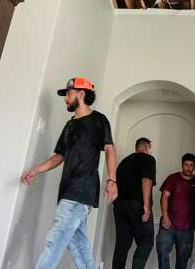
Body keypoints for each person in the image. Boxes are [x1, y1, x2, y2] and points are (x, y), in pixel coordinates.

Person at [22, 77, 117, 269]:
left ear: (81, 94)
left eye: (68, 93)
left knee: (54, 241)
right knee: (79, 247)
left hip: (82, 189)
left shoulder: (98, 120)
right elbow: (59, 156)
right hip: (67, 190)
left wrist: (111, 180)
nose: (65, 98)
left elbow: (109, 149)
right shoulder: (70, 125)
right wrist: (36, 170)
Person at [112, 137, 156, 269]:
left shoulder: (123, 162)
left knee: (122, 244)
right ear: (146, 147)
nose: (149, 151)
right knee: (146, 242)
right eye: (149, 148)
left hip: (119, 206)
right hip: (137, 205)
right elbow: (146, 180)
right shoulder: (148, 159)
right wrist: (146, 206)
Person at [156, 153, 195, 269]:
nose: (188, 168)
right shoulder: (173, 178)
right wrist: (165, 215)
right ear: (182, 165)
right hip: (168, 224)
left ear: (194, 166)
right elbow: (164, 196)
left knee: (183, 258)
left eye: (191, 165)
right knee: (162, 251)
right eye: (186, 165)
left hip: (187, 227)